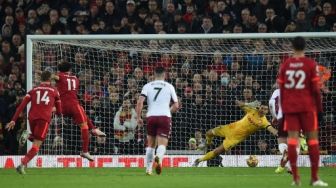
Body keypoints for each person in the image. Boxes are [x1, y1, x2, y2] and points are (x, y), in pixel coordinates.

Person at [277, 36, 328, 186]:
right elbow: (316, 90)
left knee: (292, 141)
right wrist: (319, 110)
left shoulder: (286, 64)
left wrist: (284, 109)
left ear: (292, 47)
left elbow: (282, 89)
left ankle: (295, 178)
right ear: (305, 47)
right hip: (307, 107)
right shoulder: (310, 64)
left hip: (290, 108)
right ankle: (314, 178)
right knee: (312, 141)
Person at [6, 71, 62, 174]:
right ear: (50, 79)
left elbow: (21, 106)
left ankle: (28, 135)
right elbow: (59, 111)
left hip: (31, 118)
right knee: (37, 145)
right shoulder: (55, 91)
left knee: (37, 138)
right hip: (43, 119)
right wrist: (53, 109)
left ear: (41, 79)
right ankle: (22, 165)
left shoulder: (33, 90)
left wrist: (13, 120)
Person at [193, 100, 278, 166]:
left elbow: (271, 129)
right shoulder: (252, 110)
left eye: (265, 109)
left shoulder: (264, 122)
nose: (263, 110)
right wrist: (248, 104)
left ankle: (199, 160)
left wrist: (278, 133)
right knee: (209, 133)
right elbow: (238, 103)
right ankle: (208, 143)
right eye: (262, 108)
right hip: (230, 128)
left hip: (235, 138)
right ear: (259, 107)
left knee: (217, 151)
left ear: (268, 111)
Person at [53, 61, 106, 161]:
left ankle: (33, 134)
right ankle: (85, 150)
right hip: (73, 105)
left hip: (61, 106)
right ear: (70, 69)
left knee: (48, 112)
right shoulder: (75, 79)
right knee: (83, 125)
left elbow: (54, 77)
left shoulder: (59, 76)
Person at [136, 66, 179, 175]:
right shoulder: (169, 86)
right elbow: (176, 105)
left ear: (154, 75)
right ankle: (158, 158)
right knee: (162, 144)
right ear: (164, 75)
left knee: (150, 145)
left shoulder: (147, 86)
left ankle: (148, 169)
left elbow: (140, 102)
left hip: (151, 116)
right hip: (164, 116)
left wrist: (138, 117)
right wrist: (168, 111)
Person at [269, 87, 290, 173]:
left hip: (281, 117)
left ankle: (287, 165)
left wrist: (274, 116)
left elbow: (271, 103)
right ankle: (290, 167)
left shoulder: (277, 91)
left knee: (282, 140)